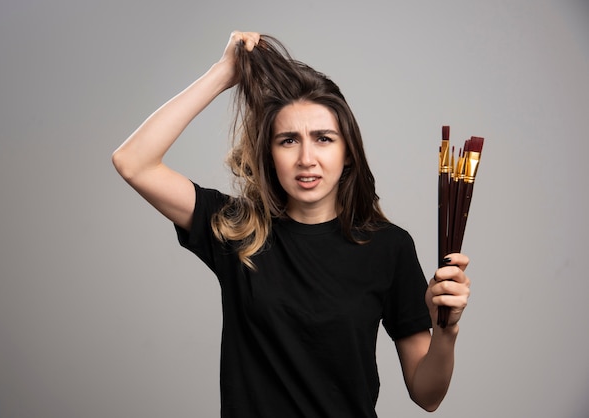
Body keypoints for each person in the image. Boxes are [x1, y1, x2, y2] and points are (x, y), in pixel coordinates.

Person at [112, 31, 471, 417]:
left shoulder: (390, 247)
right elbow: (134, 161)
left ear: (348, 153)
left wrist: (446, 332)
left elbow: (427, 395)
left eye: (323, 139)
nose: (306, 158)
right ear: (269, 155)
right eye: (287, 141)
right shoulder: (238, 230)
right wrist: (223, 73)